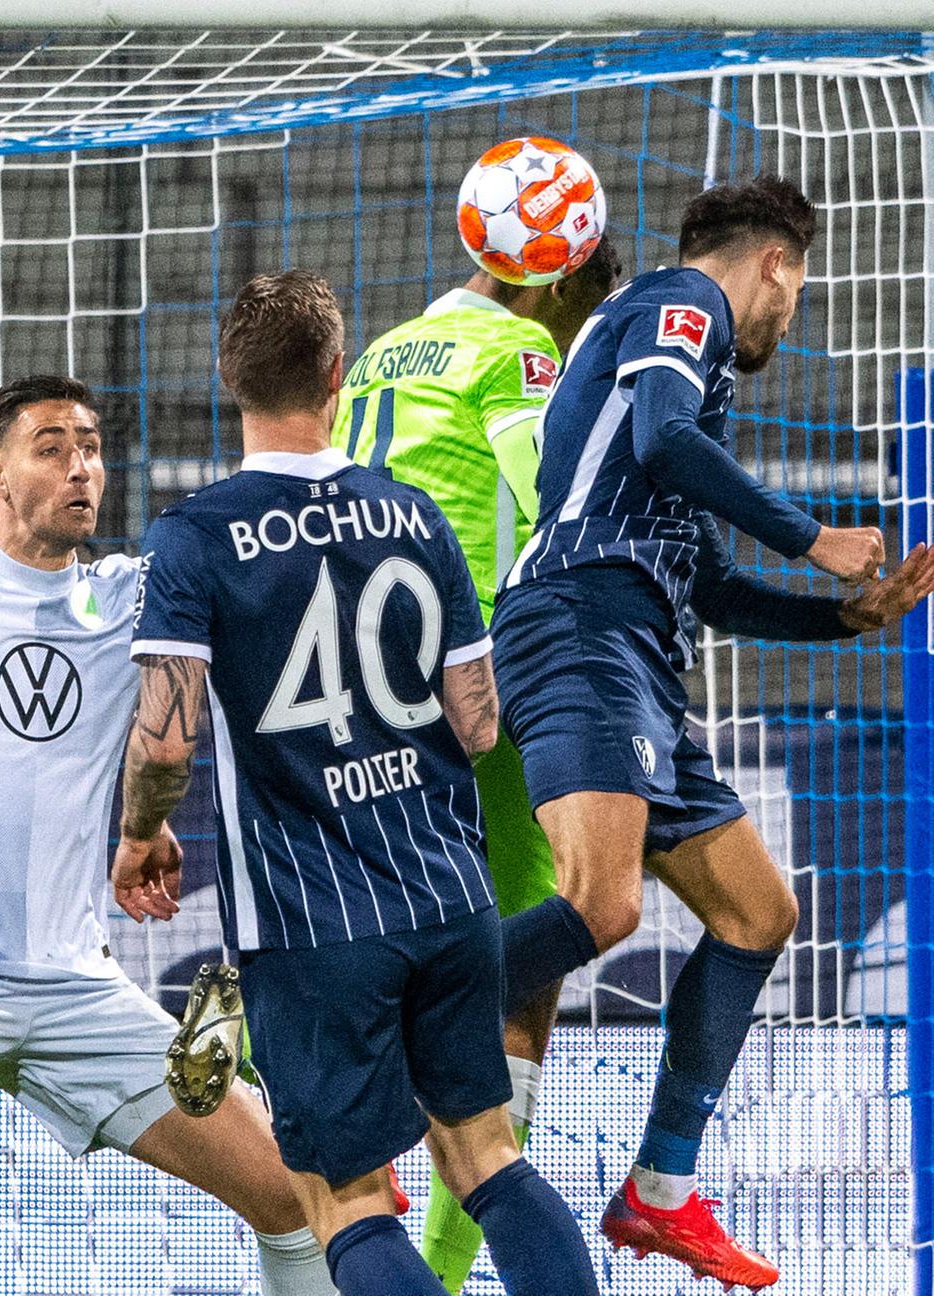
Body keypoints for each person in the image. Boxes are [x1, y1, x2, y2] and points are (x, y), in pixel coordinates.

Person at [0, 285, 336, 1296]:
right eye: (51, 445)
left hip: (73, 980)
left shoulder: (128, 594)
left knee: (294, 1198)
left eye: (90, 445)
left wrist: (143, 828)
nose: (81, 464)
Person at [112, 269, 600, 1296]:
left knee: (346, 1201)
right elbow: (478, 724)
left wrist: (141, 834)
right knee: (487, 1161)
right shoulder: (416, 516)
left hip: (310, 921)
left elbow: (165, 743)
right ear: (338, 376)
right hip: (449, 897)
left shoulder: (194, 537)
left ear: (228, 381)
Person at [490, 174, 934, 1291]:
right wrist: (812, 536)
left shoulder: (692, 390)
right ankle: (364, 1015)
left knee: (758, 911)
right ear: (776, 262)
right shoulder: (677, 305)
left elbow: (715, 590)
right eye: (799, 287)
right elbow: (663, 436)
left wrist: (846, 618)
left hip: (641, 653)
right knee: (603, 905)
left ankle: (661, 1191)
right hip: (580, 623)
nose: (792, 315)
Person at [331, 234, 622, 1292]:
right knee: (549, 933)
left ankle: (278, 1038)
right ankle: (453, 1267)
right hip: (483, 667)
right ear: (548, 281)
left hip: (359, 674)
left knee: (373, 932)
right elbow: (552, 491)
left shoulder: (380, 354)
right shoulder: (520, 351)